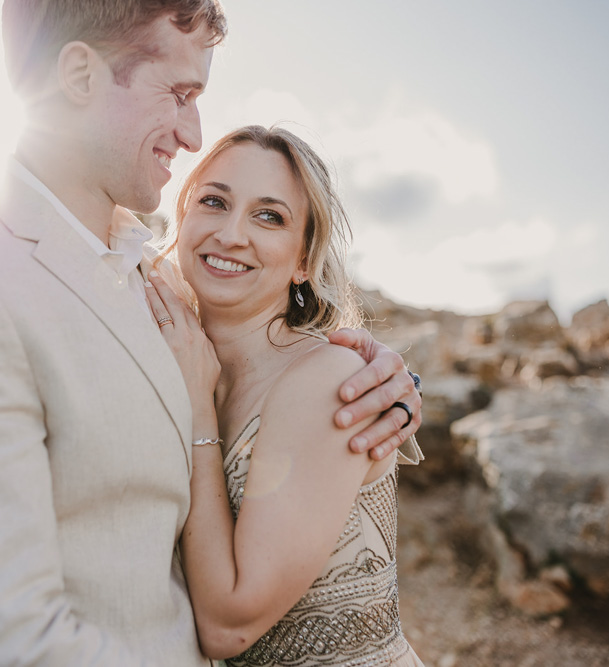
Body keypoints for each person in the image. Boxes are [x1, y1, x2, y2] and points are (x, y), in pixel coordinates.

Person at [0, 1, 422, 664]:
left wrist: (389, 379)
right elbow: (1, 644)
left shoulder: (149, 278)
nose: (194, 132)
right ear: (80, 76)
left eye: (268, 216)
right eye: (179, 93)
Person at [146, 124, 424, 666]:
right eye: (213, 202)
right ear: (182, 220)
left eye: (269, 216)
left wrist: (198, 410)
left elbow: (228, 624)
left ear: (303, 260)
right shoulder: (171, 346)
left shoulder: (329, 382)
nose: (231, 234)